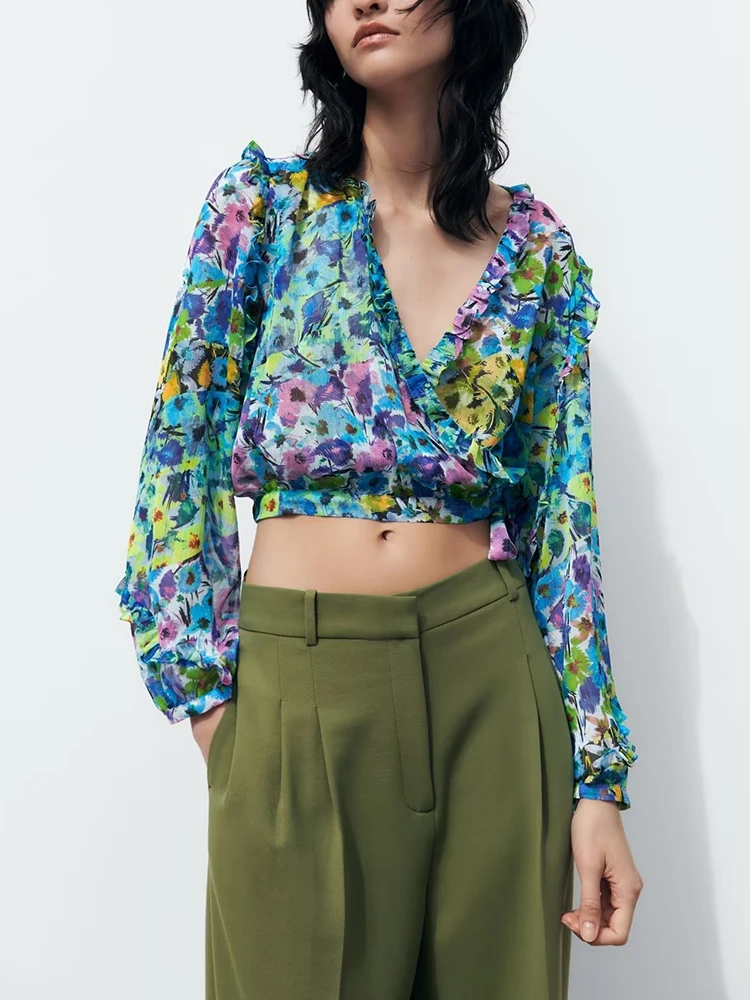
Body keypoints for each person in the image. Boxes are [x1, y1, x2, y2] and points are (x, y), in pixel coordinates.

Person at [115, 0, 643, 996]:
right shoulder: (263, 212)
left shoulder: (537, 254)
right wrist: (216, 713)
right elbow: (178, 458)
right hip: (299, 685)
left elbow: (563, 521)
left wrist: (597, 782)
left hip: (493, 683)